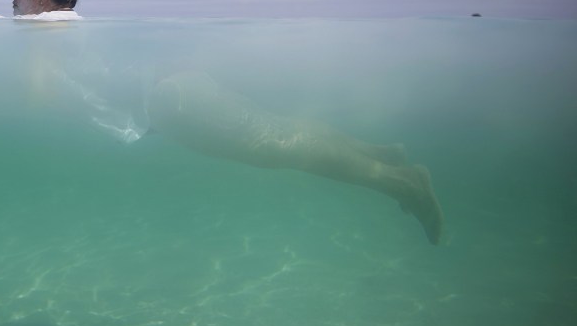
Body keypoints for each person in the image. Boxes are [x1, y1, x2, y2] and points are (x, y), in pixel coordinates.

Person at [145, 72, 445, 245]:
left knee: (272, 143)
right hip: (166, 84)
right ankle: (380, 156)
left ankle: (402, 182)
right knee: (273, 128)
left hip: (159, 93)